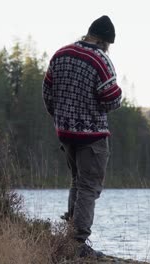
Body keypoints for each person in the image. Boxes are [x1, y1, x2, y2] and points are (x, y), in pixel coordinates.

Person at [42, 15, 122, 258]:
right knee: (89, 188)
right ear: (105, 40)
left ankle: (69, 238)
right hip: (91, 136)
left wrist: (60, 119)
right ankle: (77, 243)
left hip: (65, 133)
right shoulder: (101, 61)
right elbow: (112, 100)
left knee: (77, 182)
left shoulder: (60, 54)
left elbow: (47, 92)